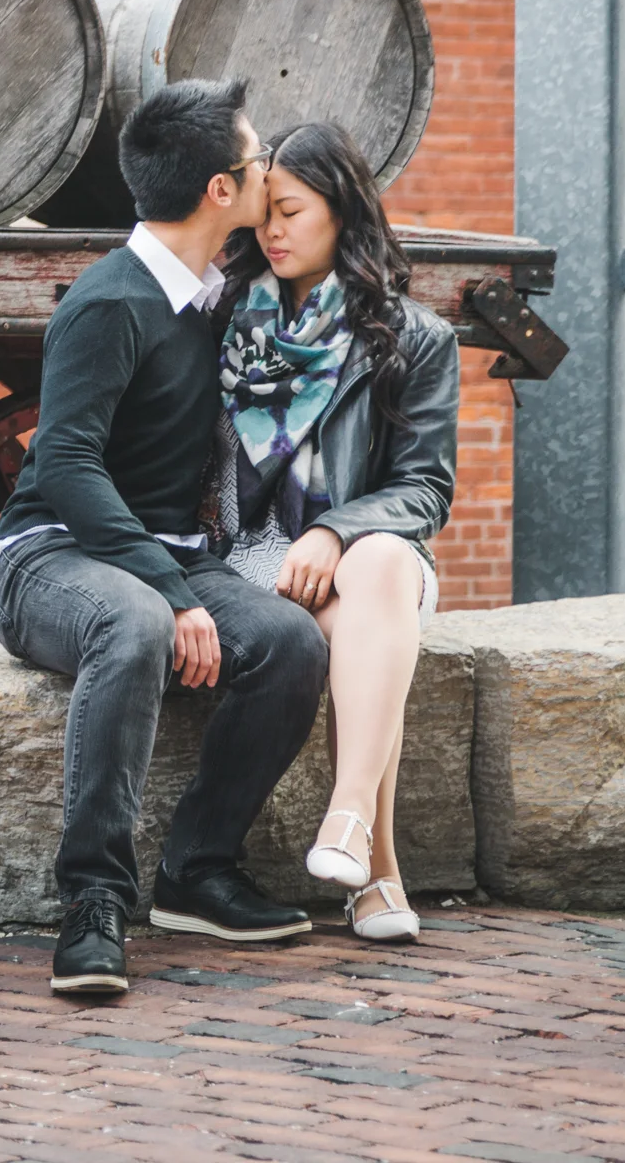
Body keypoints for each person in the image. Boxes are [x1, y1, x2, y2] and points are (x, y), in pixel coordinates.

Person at [0, 77, 329, 998]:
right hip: (50, 557)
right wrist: (172, 593)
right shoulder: (111, 302)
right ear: (220, 189)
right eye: (258, 164)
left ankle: (197, 870)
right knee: (133, 624)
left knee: (291, 642)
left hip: (166, 554)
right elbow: (65, 468)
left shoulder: (217, 294)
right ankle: (93, 903)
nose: (268, 176)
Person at [210, 121, 458, 943]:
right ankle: (375, 870)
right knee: (349, 627)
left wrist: (338, 532)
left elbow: (424, 488)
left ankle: (348, 815)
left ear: (343, 211)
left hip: (369, 560)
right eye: (265, 214)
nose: (272, 231)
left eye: (292, 211)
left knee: (378, 567)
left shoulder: (414, 338)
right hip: (247, 557)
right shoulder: (222, 324)